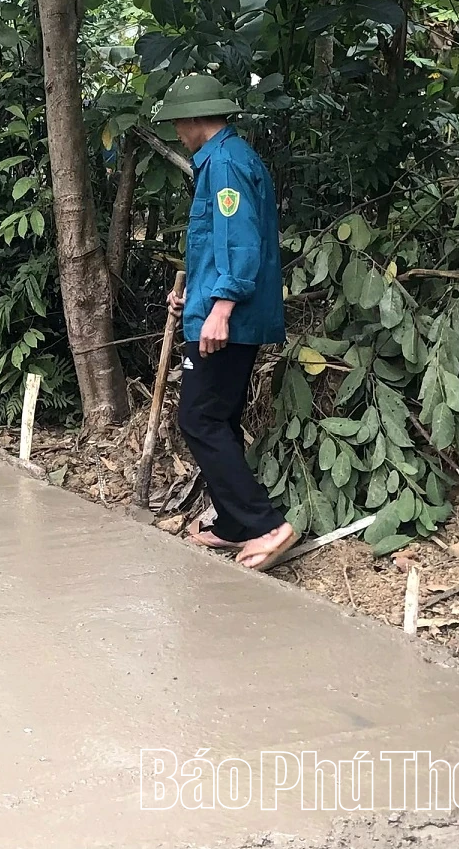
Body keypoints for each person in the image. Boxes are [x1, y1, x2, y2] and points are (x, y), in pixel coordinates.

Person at [155, 73, 295, 571]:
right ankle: (235, 524)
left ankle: (264, 524)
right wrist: (197, 297)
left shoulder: (227, 165)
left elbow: (238, 240)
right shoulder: (225, 159)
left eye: (178, 121)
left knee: (198, 418)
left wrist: (220, 307)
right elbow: (216, 245)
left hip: (230, 319)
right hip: (224, 311)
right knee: (222, 417)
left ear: (195, 118)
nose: (176, 131)